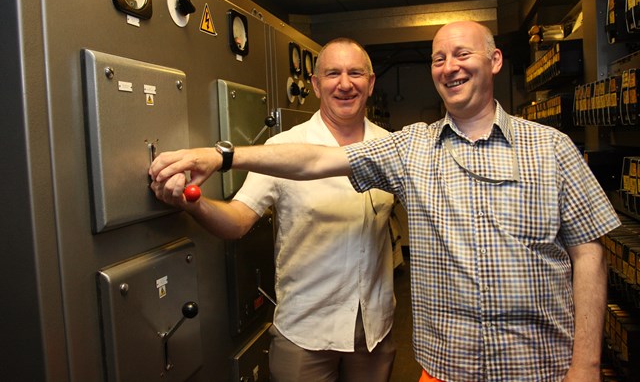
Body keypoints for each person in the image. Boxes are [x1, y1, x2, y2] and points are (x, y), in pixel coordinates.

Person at [150, 21, 621, 382]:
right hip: (432, 359)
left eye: (462, 54)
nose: (450, 66)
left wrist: (587, 364)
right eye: (438, 58)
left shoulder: (552, 148)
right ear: (315, 85)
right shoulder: (410, 148)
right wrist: (221, 154)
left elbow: (589, 253)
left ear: (495, 61)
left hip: (532, 361)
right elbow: (313, 161)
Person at [150, 38, 397, 382]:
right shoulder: (281, 148)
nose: (344, 84)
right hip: (307, 330)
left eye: (355, 73)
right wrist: (193, 203)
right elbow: (237, 221)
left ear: (370, 83)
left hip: (374, 328)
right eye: (332, 74)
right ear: (315, 85)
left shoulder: (392, 148)